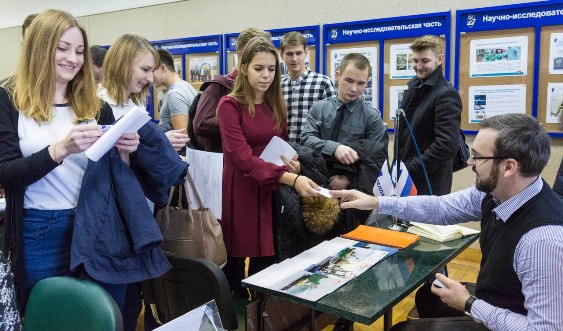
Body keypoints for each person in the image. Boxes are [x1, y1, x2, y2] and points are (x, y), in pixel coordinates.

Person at [331, 114, 563, 331]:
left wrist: (469, 303)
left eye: (478, 156)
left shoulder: (542, 240)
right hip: (500, 299)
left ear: (509, 167)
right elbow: (440, 208)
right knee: (428, 296)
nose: (469, 161)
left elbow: (544, 328)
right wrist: (376, 202)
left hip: (511, 320)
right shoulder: (498, 192)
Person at [0, 9, 118, 311]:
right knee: (46, 315)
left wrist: (127, 150)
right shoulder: (9, 101)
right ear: (40, 48)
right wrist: (59, 150)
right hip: (38, 229)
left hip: (92, 226)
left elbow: (111, 176)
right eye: (62, 48)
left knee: (89, 315)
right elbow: (7, 174)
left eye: (79, 51)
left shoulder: (96, 106)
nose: (73, 59)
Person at [95, 34, 187, 331]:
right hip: (115, 222)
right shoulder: (100, 105)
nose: (151, 78)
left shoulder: (130, 105)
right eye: (145, 70)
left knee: (133, 297)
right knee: (116, 303)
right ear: (124, 64)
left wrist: (157, 142)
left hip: (137, 216)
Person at [217, 37, 320, 297]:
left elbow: (280, 144)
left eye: (271, 69)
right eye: (258, 68)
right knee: (235, 261)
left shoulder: (276, 104)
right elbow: (241, 157)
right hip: (241, 191)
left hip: (271, 189)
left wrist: (292, 163)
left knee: (269, 261)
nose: (266, 75)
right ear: (243, 68)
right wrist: (290, 179)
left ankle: (260, 315)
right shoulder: (229, 106)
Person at [396, 35, 462, 195]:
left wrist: (414, 168)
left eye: (425, 61)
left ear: (439, 59)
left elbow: (446, 145)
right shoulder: (414, 88)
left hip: (429, 181)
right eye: (415, 61)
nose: (418, 66)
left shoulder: (446, 94)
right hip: (406, 177)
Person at [193, 28, 271, 152]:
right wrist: (240, 122)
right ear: (240, 55)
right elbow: (201, 124)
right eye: (256, 52)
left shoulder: (263, 88)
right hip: (223, 161)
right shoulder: (219, 86)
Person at [280, 31, 336, 143]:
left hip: (313, 153)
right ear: (282, 55)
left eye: (298, 53)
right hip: (283, 154)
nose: (294, 59)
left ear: (306, 52)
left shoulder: (323, 83)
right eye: (289, 54)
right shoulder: (277, 85)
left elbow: (333, 124)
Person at [153, 48, 195, 153]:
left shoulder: (175, 94)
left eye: (151, 70)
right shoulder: (185, 86)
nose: (149, 77)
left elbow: (182, 138)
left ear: (162, 68)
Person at [0, 13, 37, 87]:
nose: (37, 48)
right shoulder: (5, 90)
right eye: (30, 42)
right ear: (23, 44)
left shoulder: (65, 84)